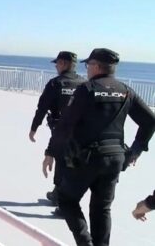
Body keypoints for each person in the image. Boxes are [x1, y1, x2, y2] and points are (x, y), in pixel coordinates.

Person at [42, 48, 155, 246]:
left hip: (86, 159)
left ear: (96, 66)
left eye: (88, 65)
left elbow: (65, 124)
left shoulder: (87, 89)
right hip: (115, 159)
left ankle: (85, 242)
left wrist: (50, 152)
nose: (86, 69)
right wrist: (135, 151)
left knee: (66, 200)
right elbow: (150, 121)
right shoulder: (126, 90)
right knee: (101, 209)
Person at [29, 51, 85, 205]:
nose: (56, 66)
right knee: (73, 160)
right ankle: (59, 192)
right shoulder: (84, 83)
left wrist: (34, 128)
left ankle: (60, 195)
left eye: (57, 63)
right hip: (81, 131)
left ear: (63, 64)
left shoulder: (55, 83)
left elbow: (42, 108)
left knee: (61, 158)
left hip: (60, 128)